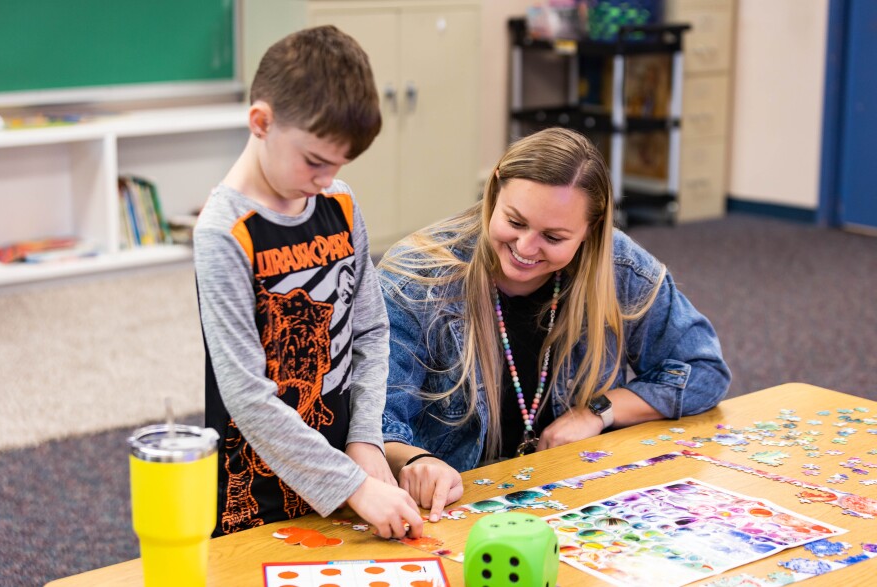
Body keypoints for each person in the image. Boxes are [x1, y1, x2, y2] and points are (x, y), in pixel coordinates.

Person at [378, 127, 731, 521]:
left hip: (576, 492)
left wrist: (597, 412)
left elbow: (702, 371)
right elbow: (375, 417)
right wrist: (417, 461)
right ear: (495, 191)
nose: (526, 248)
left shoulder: (618, 266)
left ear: (589, 233)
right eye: (515, 221)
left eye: (553, 236)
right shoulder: (418, 277)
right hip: (457, 504)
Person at [193, 25, 423, 540]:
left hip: (345, 464)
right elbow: (247, 397)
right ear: (261, 122)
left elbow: (370, 331)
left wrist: (364, 439)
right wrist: (354, 486)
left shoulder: (339, 202)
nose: (326, 179)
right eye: (315, 161)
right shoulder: (224, 232)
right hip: (254, 490)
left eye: (339, 164)